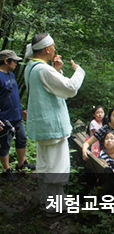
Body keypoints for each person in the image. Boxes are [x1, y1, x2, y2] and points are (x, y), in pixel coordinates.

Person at [24, 33, 85, 217]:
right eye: (54, 46)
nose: (55, 50)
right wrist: (79, 71)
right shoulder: (43, 70)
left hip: (42, 126)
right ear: (47, 49)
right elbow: (70, 89)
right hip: (53, 126)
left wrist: (56, 70)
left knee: (45, 165)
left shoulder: (31, 67)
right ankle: (54, 207)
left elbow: (50, 89)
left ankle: (46, 201)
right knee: (57, 167)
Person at [0, 50, 35, 181]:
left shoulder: (12, 75)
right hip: (4, 118)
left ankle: (21, 163)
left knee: (22, 139)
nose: (15, 63)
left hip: (17, 116)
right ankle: (6, 169)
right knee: (5, 144)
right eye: (13, 60)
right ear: (6, 61)